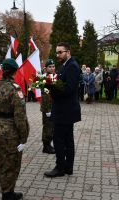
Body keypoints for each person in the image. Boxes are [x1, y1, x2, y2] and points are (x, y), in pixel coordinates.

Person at [0, 58, 29, 200]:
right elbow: (20, 116)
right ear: (14, 72)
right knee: (11, 163)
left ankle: (6, 190)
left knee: (2, 161)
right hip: (9, 132)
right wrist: (24, 137)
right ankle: (7, 194)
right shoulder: (15, 89)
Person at [44, 42, 81, 178]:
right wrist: (49, 83)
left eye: (60, 52)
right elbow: (61, 83)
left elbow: (69, 89)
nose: (58, 55)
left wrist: (52, 86)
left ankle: (60, 168)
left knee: (59, 139)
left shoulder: (72, 66)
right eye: (57, 52)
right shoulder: (65, 65)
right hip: (64, 109)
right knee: (67, 139)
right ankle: (67, 167)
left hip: (65, 110)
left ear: (68, 52)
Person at [40, 59, 56, 154]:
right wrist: (47, 110)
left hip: (54, 107)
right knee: (48, 127)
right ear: (46, 69)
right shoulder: (44, 79)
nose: (52, 68)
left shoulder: (55, 77)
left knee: (52, 127)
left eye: (53, 66)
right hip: (47, 108)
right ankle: (46, 146)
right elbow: (45, 96)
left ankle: (49, 144)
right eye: (50, 67)